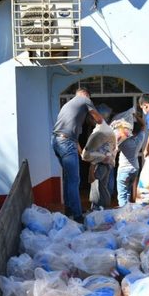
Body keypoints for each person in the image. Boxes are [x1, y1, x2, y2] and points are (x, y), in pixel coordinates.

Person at [52, 87, 104, 222]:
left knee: (69, 178)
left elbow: (73, 138)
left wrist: (82, 153)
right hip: (65, 142)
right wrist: (107, 126)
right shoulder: (85, 99)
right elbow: (98, 119)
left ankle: (69, 209)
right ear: (86, 94)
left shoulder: (68, 106)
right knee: (75, 180)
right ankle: (77, 215)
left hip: (56, 141)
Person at [116, 112, 146, 206]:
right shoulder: (140, 138)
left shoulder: (123, 142)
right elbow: (144, 125)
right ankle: (128, 213)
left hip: (124, 170)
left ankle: (123, 215)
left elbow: (116, 138)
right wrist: (136, 115)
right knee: (128, 192)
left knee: (122, 194)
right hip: (135, 169)